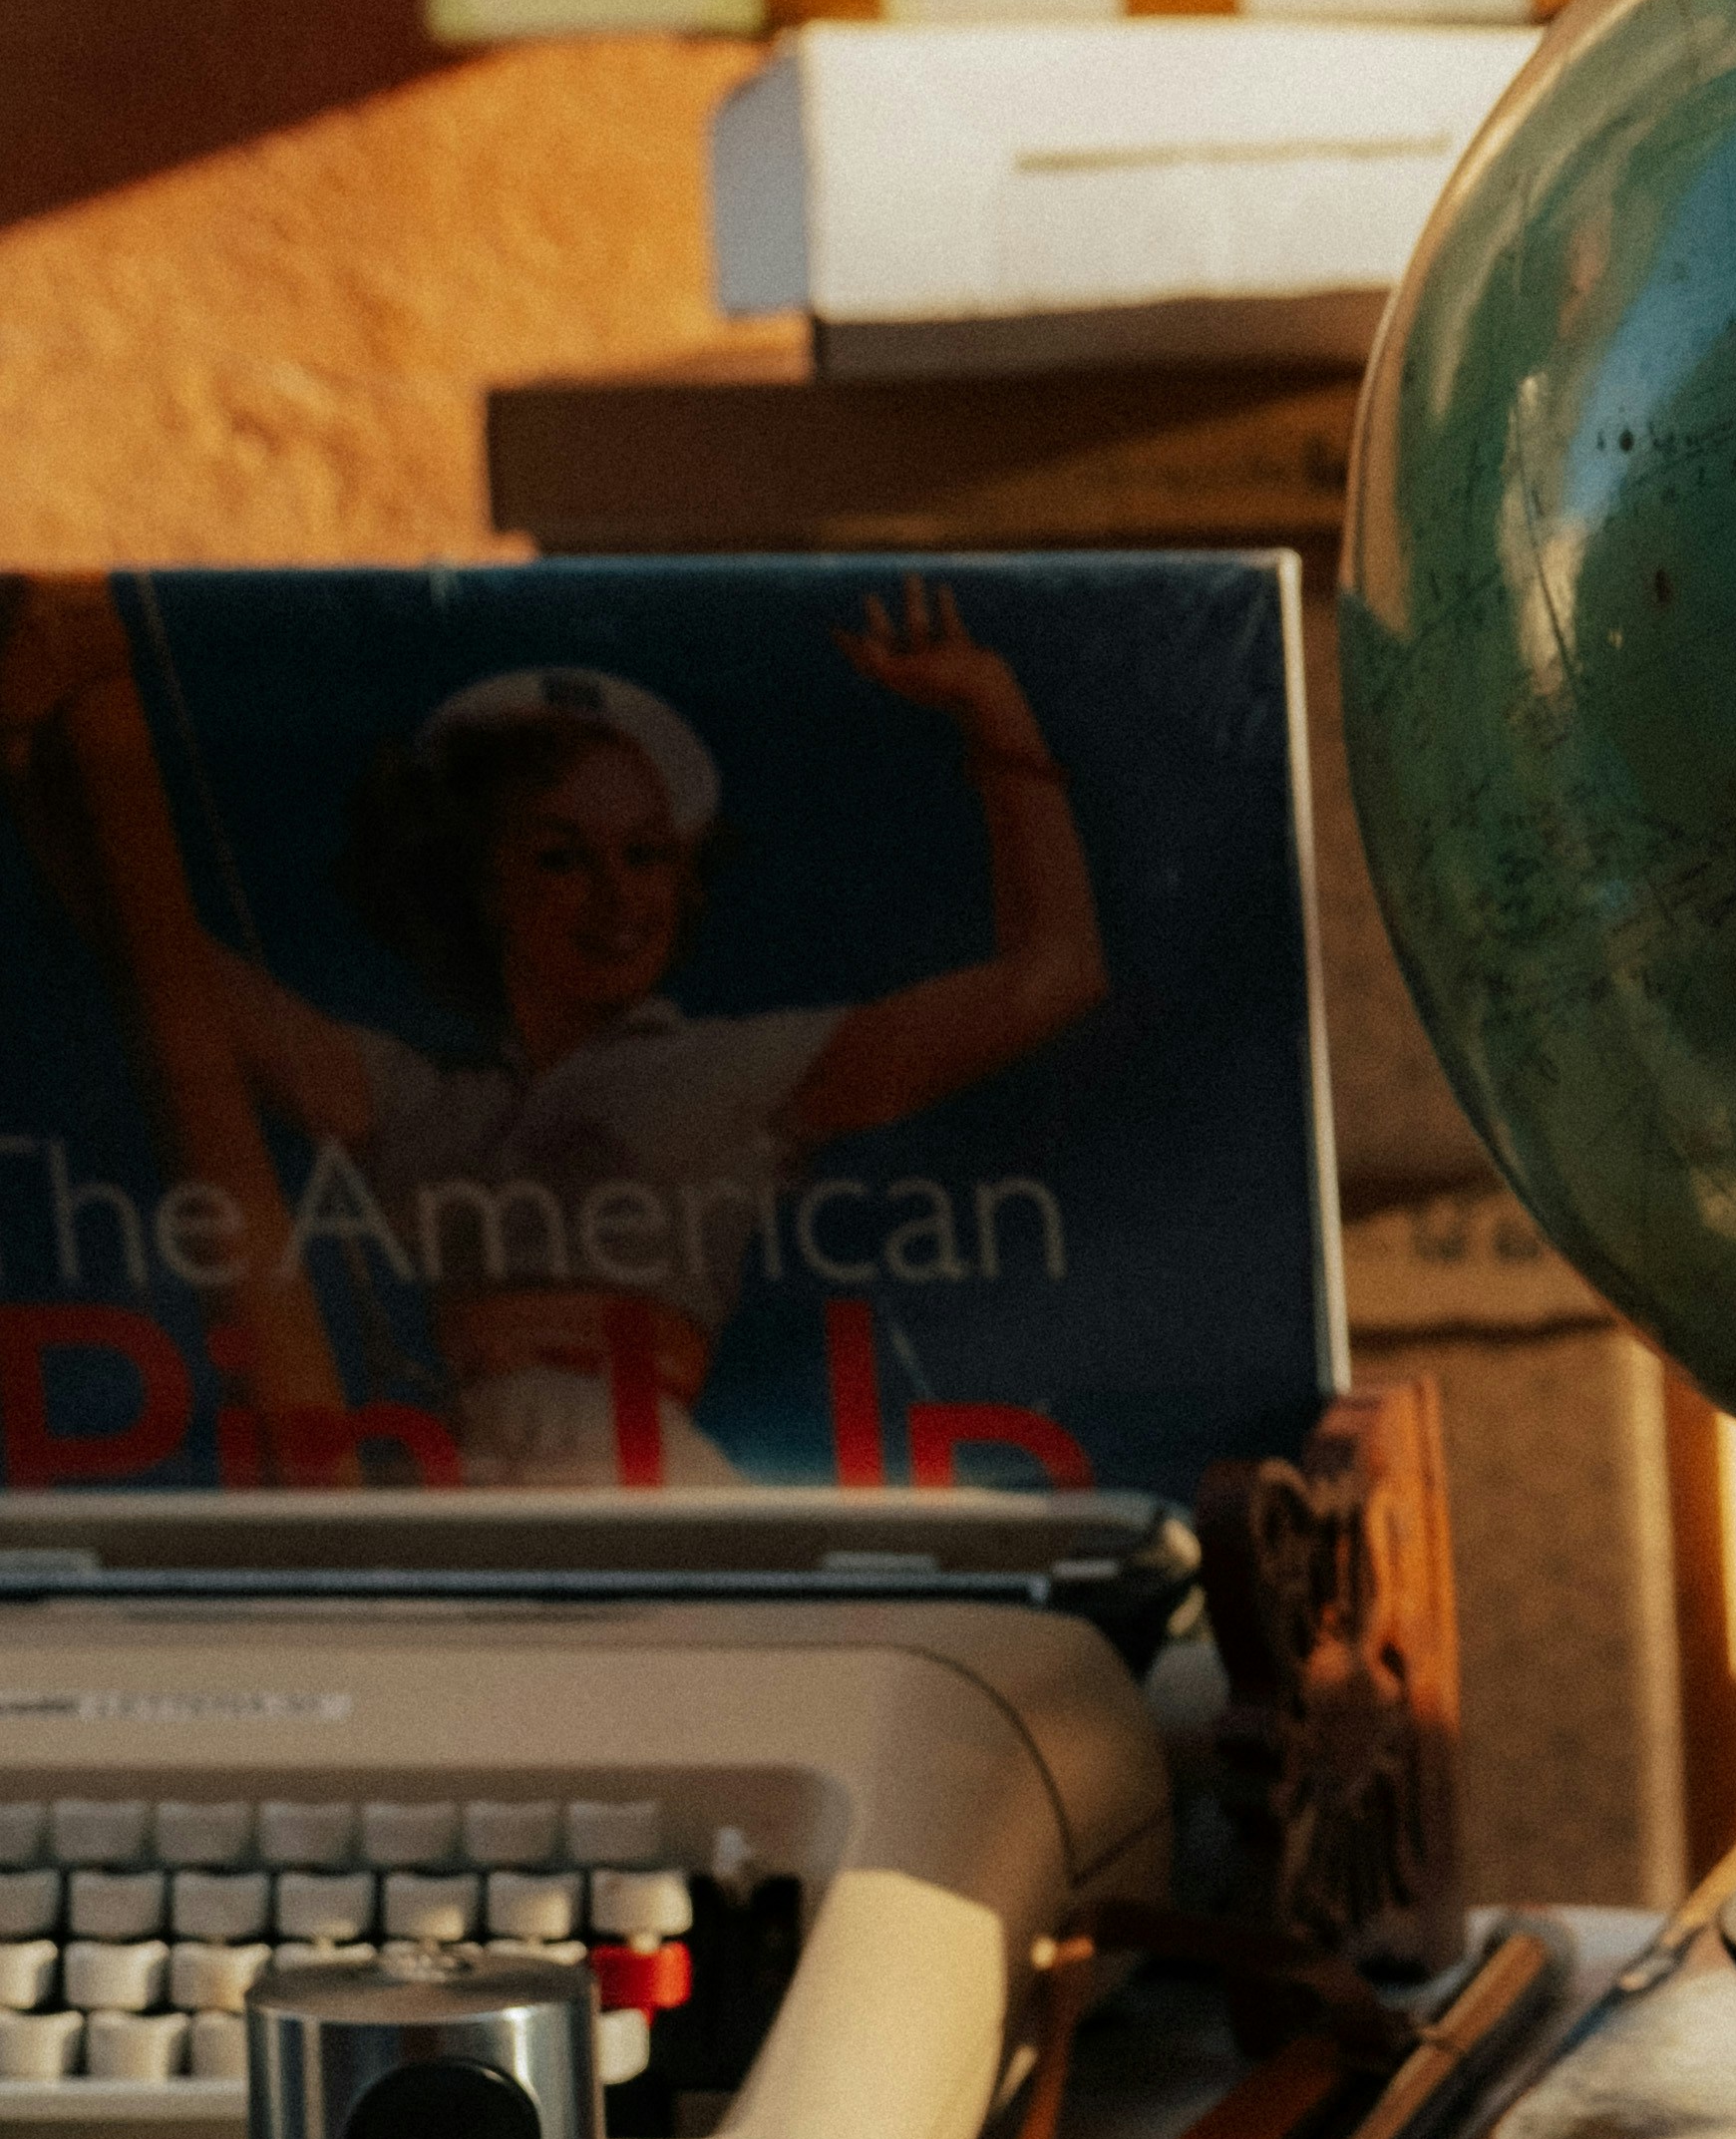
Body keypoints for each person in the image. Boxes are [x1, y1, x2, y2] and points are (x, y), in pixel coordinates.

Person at [0, 575, 1106, 1483]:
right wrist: (40, 744)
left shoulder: (738, 1069)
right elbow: (155, 953)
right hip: (450, 1478)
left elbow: (1051, 977)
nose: (616, 899)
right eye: (560, 857)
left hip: (635, 1483)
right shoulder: (417, 1100)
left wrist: (995, 714)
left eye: (646, 854)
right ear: (482, 885)